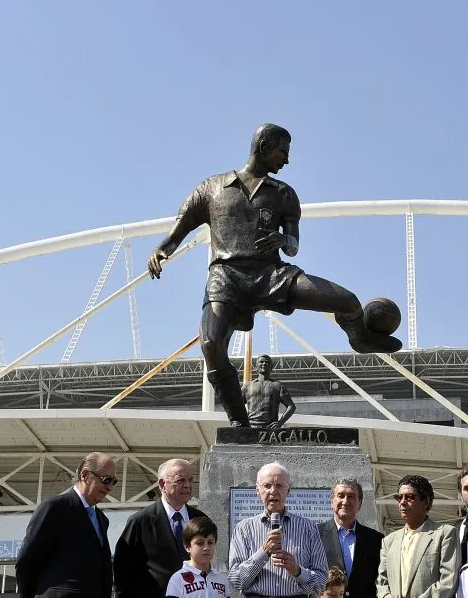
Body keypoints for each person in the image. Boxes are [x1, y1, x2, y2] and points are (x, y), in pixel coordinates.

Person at [147, 123, 402, 427]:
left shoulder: (284, 194)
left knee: (347, 301)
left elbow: (293, 246)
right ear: (264, 146)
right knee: (211, 345)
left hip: (271, 274)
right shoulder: (212, 187)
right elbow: (182, 224)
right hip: (226, 277)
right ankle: (240, 424)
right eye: (283, 152)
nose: (288, 160)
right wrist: (163, 248)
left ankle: (359, 338)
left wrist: (283, 240)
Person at [15, 452, 116, 598]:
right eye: (106, 480)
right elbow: (27, 561)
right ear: (85, 475)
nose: (109, 488)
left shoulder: (102, 519)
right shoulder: (55, 508)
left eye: (113, 482)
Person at [228, 461, 329, 598]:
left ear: (288, 491)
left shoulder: (308, 528)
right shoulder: (244, 528)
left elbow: (321, 582)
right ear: (257, 491)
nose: (273, 491)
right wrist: (263, 553)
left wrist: (297, 571)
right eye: (267, 485)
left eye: (279, 485)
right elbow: (236, 580)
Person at [114, 458, 208, 598]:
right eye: (181, 480)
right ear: (162, 484)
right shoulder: (140, 521)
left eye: (190, 480)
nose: (188, 485)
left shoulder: (201, 520)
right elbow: (122, 572)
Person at [376, 475, 459, 598]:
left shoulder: (444, 533)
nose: (402, 502)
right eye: (399, 497)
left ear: (426, 502)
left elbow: (448, 580)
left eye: (410, 497)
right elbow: (382, 581)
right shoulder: (389, 541)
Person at [318, 478, 386, 598]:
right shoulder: (315, 535)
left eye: (351, 496)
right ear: (332, 501)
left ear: (360, 503)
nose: (345, 501)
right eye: (340, 495)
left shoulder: (377, 540)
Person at [160, 516, 232, 598]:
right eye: (200, 543)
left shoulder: (222, 580)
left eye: (210, 542)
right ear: (187, 546)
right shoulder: (178, 579)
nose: (206, 548)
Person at [244, 355, 297, 428]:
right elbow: (236, 406)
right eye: (261, 362)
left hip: (270, 428)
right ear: (256, 367)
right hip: (251, 427)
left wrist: (280, 423)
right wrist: (237, 421)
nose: (264, 364)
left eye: (267, 362)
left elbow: (291, 406)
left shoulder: (278, 385)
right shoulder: (247, 386)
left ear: (271, 367)